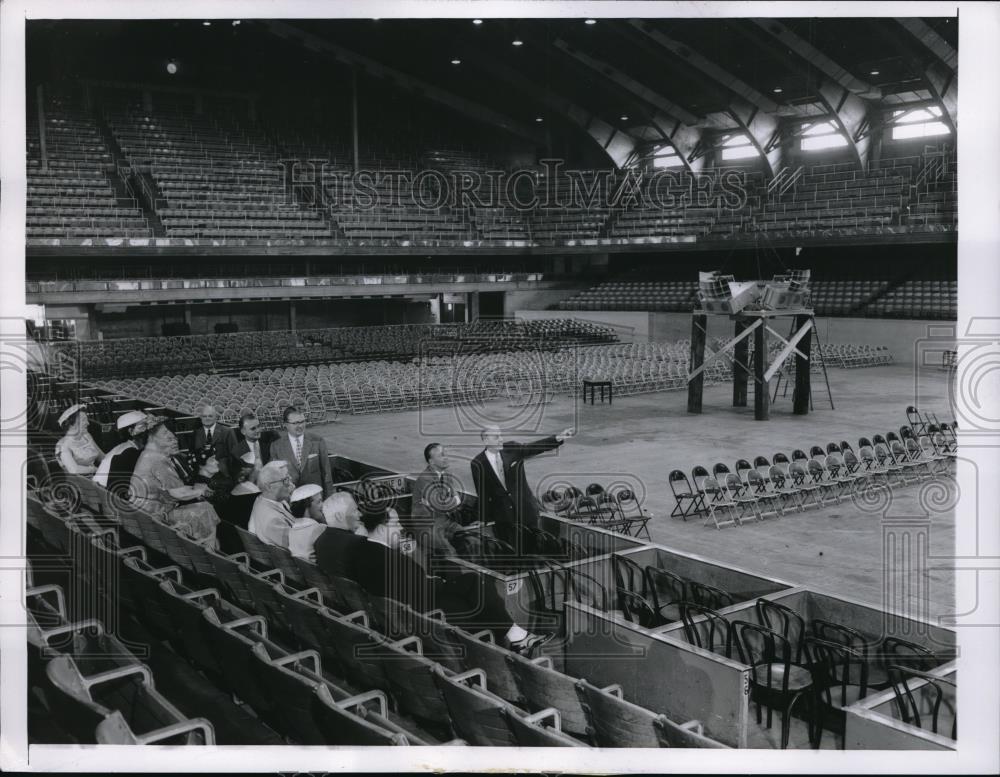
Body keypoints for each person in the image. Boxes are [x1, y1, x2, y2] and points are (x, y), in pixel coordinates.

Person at [353, 507, 549, 653]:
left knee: (474, 581)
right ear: (381, 528)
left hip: (409, 611)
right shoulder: (392, 560)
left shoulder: (362, 552)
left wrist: (436, 581)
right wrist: (439, 583)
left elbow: (409, 585)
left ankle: (515, 636)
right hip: (428, 614)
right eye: (396, 523)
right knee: (480, 595)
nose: (401, 528)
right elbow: (420, 589)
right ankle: (514, 640)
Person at [471, 425, 574, 551]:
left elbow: (534, 448)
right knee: (512, 552)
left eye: (501, 435)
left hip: (527, 511)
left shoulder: (512, 448)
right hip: (504, 518)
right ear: (486, 440)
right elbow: (483, 493)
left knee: (535, 548)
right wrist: (483, 519)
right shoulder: (478, 463)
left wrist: (557, 438)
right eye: (496, 437)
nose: (501, 439)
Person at [128, 417, 220, 546]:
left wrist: (197, 490)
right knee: (205, 509)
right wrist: (201, 491)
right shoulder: (158, 459)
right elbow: (179, 493)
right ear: (152, 438)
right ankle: (207, 551)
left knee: (203, 508)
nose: (173, 439)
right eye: (166, 435)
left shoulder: (148, 454)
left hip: (143, 513)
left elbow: (176, 489)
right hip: (154, 517)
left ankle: (208, 547)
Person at [411, 442, 480, 559]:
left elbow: (455, 500)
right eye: (441, 455)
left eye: (445, 454)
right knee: (450, 552)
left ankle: (474, 568)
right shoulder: (425, 479)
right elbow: (442, 505)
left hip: (445, 522)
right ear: (431, 462)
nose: (446, 457)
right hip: (427, 526)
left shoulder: (447, 475)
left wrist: (448, 501)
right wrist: (450, 501)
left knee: (473, 541)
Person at [270, 405, 333, 496]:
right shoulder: (276, 446)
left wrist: (329, 497)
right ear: (285, 424)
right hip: (290, 497)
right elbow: (275, 478)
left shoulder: (318, 441)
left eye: (302, 422)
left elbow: (327, 474)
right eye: (295, 423)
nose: (300, 426)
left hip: (315, 497)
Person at [313, 491, 368, 580]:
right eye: (354, 510)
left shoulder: (319, 542)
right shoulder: (359, 543)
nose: (360, 514)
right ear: (339, 516)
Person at [93, 410, 148, 492]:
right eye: (142, 426)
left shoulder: (127, 446)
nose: (147, 429)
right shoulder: (128, 452)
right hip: (104, 491)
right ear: (131, 431)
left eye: (147, 425)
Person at [247, 460, 296, 548]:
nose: (291, 484)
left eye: (289, 477)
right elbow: (300, 544)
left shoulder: (263, 499)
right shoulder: (272, 520)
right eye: (285, 480)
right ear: (269, 486)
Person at [224, 411, 278, 481]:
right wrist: (245, 474)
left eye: (258, 426)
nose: (258, 430)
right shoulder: (236, 452)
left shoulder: (270, 440)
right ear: (243, 431)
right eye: (253, 428)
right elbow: (237, 477)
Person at [55, 404, 104, 475]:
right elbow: (74, 470)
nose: (88, 423)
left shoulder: (86, 436)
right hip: (78, 480)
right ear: (71, 424)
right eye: (83, 420)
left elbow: (102, 456)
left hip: (96, 475)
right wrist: (96, 470)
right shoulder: (62, 445)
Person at [287, 483, 327, 562]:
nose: (323, 505)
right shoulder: (320, 529)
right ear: (307, 506)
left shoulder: (292, 531)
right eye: (319, 502)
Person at [192, 404, 236, 474]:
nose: (207, 418)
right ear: (201, 418)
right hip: (202, 473)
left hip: (222, 473)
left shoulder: (227, 431)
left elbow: (234, 455)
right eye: (204, 416)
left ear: (216, 417)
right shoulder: (196, 433)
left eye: (210, 416)